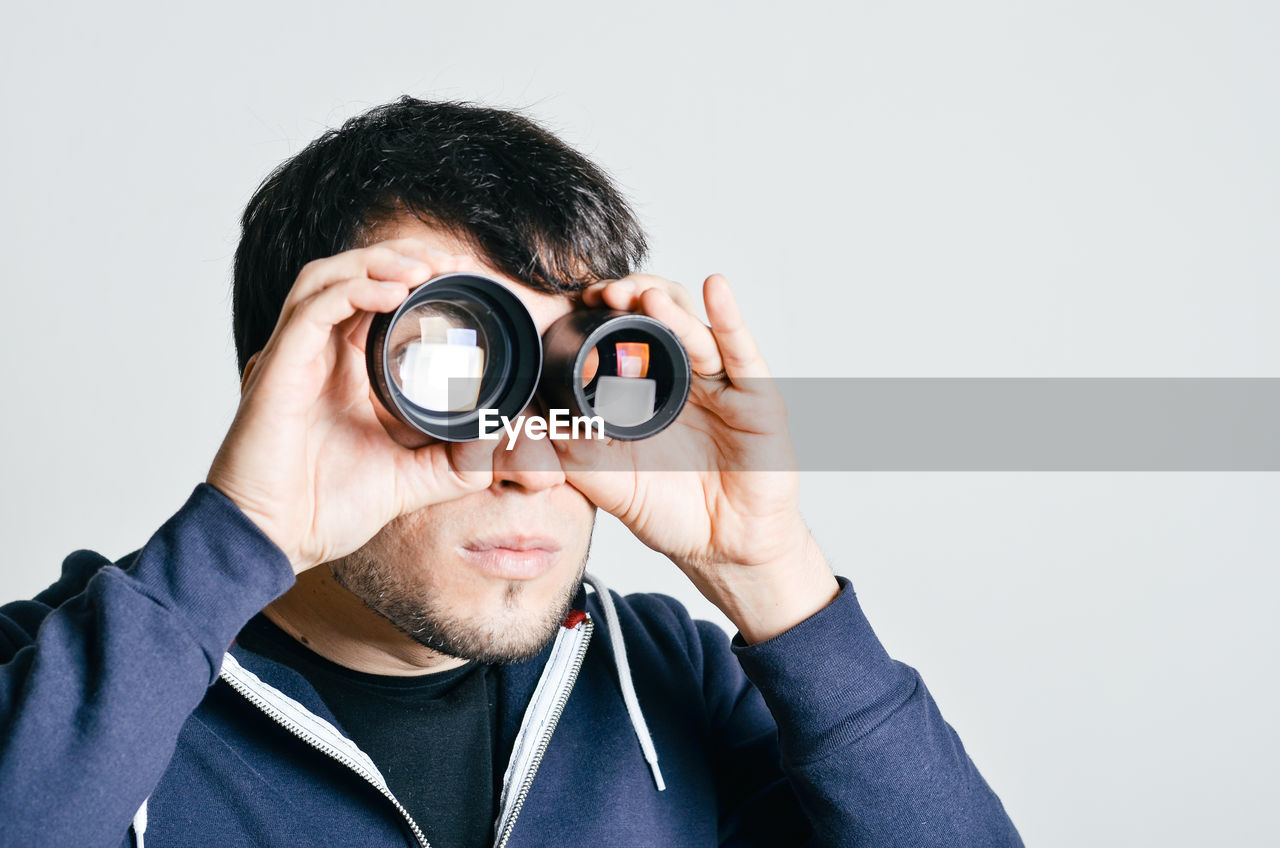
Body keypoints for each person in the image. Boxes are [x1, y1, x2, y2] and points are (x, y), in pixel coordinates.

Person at [0, 97, 1022, 847]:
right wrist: (236, 534)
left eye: (570, 376)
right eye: (447, 372)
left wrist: (771, 571)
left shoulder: (668, 681)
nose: (528, 458)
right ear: (281, 383)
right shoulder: (61, 681)